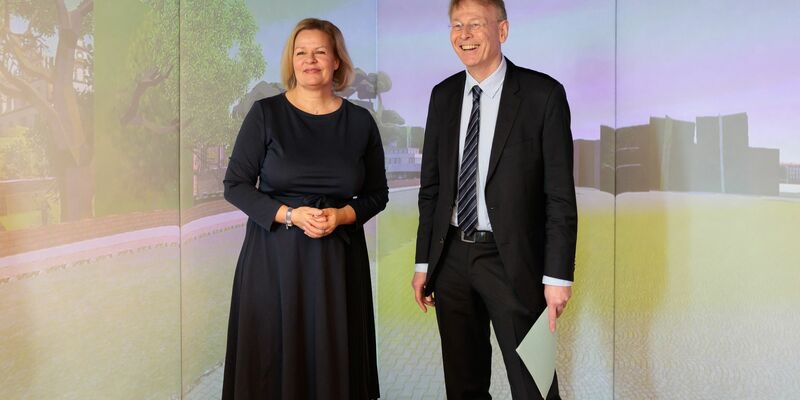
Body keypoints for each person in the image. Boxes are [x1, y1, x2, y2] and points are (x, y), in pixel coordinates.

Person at [411, 1, 577, 399]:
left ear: (502, 31)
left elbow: (559, 196)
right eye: (456, 25)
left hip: (514, 263)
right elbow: (431, 190)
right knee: (464, 386)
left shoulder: (543, 95)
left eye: (475, 25)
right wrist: (424, 263)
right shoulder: (443, 96)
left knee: (533, 385)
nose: (464, 35)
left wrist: (557, 277)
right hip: (451, 258)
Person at [222, 18, 387, 399]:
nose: (309, 60)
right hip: (273, 262)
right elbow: (235, 186)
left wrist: (342, 216)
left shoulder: (361, 122)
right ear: (291, 61)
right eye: (301, 52)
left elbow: (377, 194)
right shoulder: (265, 114)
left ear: (336, 62)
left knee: (334, 365)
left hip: (338, 268)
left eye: (320, 52)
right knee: (272, 361)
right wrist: (290, 215)